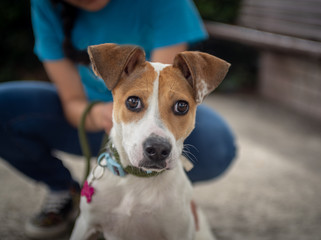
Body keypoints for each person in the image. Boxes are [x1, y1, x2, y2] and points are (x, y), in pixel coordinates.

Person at [0, 0, 236, 238]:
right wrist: (99, 113)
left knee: (217, 141)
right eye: (135, 102)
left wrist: (177, 196)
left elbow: (164, 82)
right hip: (90, 116)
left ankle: (170, 197)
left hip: (134, 125)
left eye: (181, 107)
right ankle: (64, 189)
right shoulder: (45, 5)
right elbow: (71, 101)